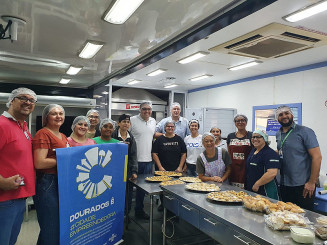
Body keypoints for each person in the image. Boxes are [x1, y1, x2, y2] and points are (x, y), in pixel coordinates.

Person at [0, 88, 37, 245]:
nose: (27, 102)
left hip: (19, 196)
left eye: (31, 100)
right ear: (11, 100)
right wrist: (1, 182)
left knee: (10, 240)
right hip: (4, 198)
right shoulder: (2, 125)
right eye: (23, 98)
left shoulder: (23, 126)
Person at [32, 104, 70, 245]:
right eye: (54, 113)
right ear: (46, 117)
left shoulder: (63, 136)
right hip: (48, 183)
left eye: (61, 113)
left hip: (61, 182)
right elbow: (39, 163)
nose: (58, 116)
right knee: (50, 227)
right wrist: (64, 157)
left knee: (56, 225)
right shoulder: (43, 133)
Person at [275, 105, 322, 210]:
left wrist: (311, 182)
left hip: (303, 185)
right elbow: (284, 150)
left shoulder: (305, 131)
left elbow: (317, 157)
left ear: (292, 115)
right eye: (280, 114)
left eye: (286, 113)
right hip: (284, 184)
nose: (284, 116)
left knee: (305, 219)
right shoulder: (278, 134)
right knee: (287, 217)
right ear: (277, 118)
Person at [130, 101, 156, 219]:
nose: (147, 111)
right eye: (144, 109)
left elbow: (151, 136)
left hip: (148, 160)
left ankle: (139, 211)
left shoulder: (153, 121)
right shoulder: (132, 120)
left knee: (143, 189)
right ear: (140, 110)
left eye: (149, 109)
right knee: (129, 188)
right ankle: (126, 214)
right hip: (134, 161)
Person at [152, 120, 187, 211]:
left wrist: (180, 167)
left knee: (176, 189)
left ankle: (174, 208)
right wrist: (160, 167)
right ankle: (163, 205)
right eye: (168, 126)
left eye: (172, 126)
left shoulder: (179, 139)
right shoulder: (159, 139)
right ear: (165, 128)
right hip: (163, 169)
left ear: (174, 128)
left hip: (176, 170)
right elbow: (155, 153)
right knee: (163, 188)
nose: (170, 128)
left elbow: (184, 153)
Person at [112, 114, 138, 215]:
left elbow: (133, 155)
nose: (126, 124)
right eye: (124, 121)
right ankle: (114, 215)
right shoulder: (113, 135)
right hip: (114, 171)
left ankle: (126, 215)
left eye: (128, 122)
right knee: (115, 194)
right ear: (119, 123)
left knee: (127, 194)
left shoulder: (131, 138)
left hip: (126, 171)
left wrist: (134, 171)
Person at [245, 130, 280, 199]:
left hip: (265, 190)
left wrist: (257, 184)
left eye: (258, 137)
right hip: (252, 189)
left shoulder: (270, 153)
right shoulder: (254, 151)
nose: (255, 139)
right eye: (253, 137)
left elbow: (272, 173)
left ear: (265, 139)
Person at [227, 114, 253, 188]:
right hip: (234, 168)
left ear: (246, 122)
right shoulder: (230, 136)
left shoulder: (251, 135)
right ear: (235, 123)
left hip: (247, 167)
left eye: (242, 120)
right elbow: (229, 153)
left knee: (247, 189)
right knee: (233, 190)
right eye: (237, 121)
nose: (240, 122)